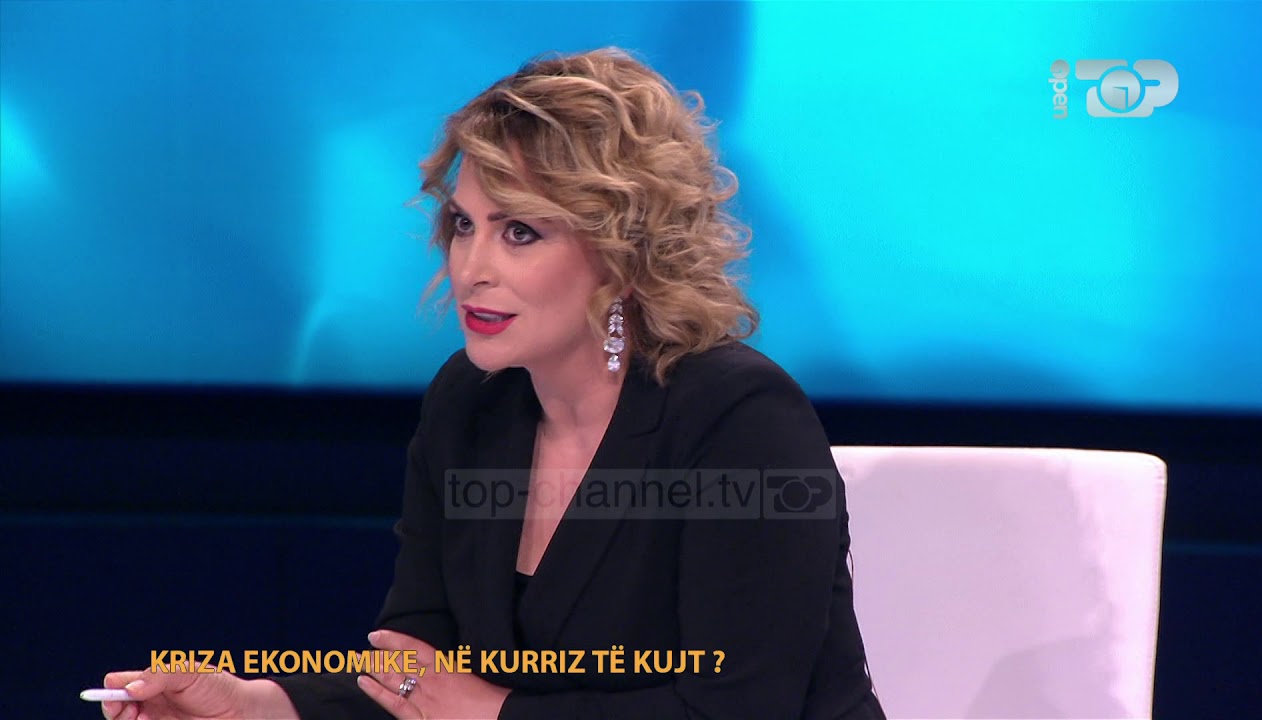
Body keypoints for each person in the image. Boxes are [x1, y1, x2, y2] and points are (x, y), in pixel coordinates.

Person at [101, 47, 885, 720]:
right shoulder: (470, 403)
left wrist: (497, 711)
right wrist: (262, 705)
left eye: (520, 232)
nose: (472, 268)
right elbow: (417, 678)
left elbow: (740, 708)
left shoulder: (740, 418)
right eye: (464, 225)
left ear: (624, 252)